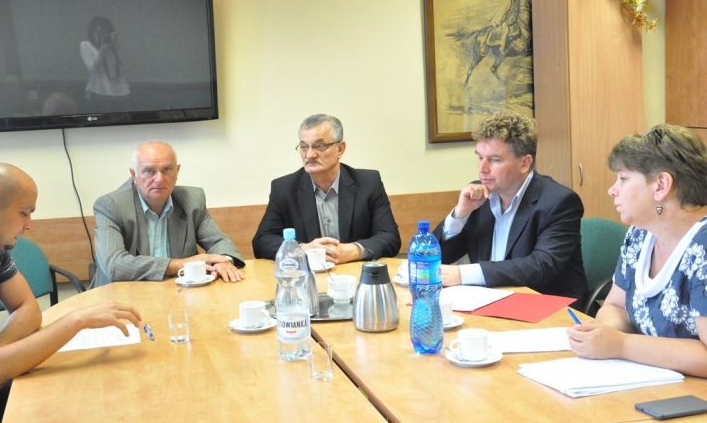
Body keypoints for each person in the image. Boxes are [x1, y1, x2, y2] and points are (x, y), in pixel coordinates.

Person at [0, 164, 140, 422]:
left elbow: (27, 309)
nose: (29, 225)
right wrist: (77, 320)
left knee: (51, 395)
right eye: (24, 213)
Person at [568, 125, 707, 378]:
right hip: (649, 381)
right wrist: (602, 334)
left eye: (623, 178)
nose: (613, 189)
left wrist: (621, 345)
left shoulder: (703, 246)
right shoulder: (641, 233)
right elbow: (615, 306)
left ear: (661, 185)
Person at [433, 111, 588, 303]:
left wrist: (461, 274)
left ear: (524, 163)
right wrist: (460, 214)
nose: (482, 169)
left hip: (546, 308)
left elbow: (541, 266)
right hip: (489, 303)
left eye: (495, 160)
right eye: (480, 157)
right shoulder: (479, 195)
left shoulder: (559, 201)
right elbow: (438, 258)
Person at [92, 141, 245, 287]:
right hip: (121, 295)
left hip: (177, 292)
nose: (159, 179)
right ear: (134, 175)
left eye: (167, 170)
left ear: (177, 171)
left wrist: (223, 261)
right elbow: (114, 265)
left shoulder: (192, 200)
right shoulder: (111, 205)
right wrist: (180, 264)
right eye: (149, 171)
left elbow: (219, 241)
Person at [252, 114, 400, 264]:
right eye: (304, 147)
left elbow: (390, 237)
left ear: (340, 149)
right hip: (308, 274)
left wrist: (354, 250)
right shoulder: (284, 188)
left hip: (355, 272)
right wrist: (301, 249)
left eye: (319, 146)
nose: (310, 154)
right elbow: (262, 241)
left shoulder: (368, 183)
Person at [80, 16, 131, 113]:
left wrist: (117, 45)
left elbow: (126, 66)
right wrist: (103, 49)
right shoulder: (86, 45)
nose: (99, 36)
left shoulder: (114, 47)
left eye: (103, 32)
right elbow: (93, 70)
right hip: (99, 92)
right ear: (91, 32)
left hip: (121, 92)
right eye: (96, 32)